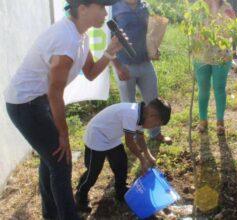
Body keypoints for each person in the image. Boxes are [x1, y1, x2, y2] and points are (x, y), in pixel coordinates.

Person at [4, 0, 123, 219]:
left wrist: (110, 52)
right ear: (83, 9)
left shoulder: (81, 35)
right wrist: (63, 133)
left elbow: (89, 73)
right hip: (25, 104)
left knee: (50, 159)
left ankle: (51, 214)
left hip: (39, 100)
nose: (106, 13)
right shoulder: (66, 39)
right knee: (61, 161)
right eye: (101, 7)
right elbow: (55, 91)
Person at [75, 98, 171, 212]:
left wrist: (148, 155)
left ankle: (121, 191)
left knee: (121, 164)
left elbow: (140, 138)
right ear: (152, 116)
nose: (154, 127)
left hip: (111, 137)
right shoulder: (131, 114)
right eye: (156, 124)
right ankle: (81, 195)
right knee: (93, 171)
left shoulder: (142, 114)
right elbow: (130, 142)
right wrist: (142, 160)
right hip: (97, 136)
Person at [111, 0, 172, 145]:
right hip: (124, 64)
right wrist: (118, 67)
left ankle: (155, 133)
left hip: (145, 62)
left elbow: (149, 31)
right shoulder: (114, 8)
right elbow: (108, 42)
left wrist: (154, 46)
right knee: (128, 104)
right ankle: (132, 138)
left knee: (153, 100)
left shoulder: (144, 6)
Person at [194, 0, 236, 135]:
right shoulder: (198, 7)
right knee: (203, 89)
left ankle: (220, 122)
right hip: (201, 55)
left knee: (219, 88)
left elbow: (232, 33)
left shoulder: (226, 7)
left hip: (221, 55)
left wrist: (233, 21)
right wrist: (197, 35)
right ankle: (203, 120)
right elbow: (192, 32)